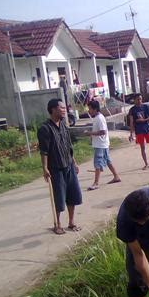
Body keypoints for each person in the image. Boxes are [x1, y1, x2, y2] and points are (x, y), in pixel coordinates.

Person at [37, 99, 82, 235]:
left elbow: (68, 146)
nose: (64, 110)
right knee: (59, 198)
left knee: (73, 194)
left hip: (68, 165)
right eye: (62, 108)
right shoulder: (45, 129)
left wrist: (74, 162)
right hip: (55, 169)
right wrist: (45, 168)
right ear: (53, 109)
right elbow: (44, 151)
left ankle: (71, 222)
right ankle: (57, 224)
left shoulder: (63, 124)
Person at [85, 100, 121, 190]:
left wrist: (90, 133)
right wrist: (92, 135)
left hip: (100, 145)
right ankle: (116, 176)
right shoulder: (97, 118)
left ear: (95, 109)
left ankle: (96, 183)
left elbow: (102, 132)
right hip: (102, 144)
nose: (89, 111)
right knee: (108, 161)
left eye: (90, 109)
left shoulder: (99, 118)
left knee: (97, 163)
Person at [129, 94, 149, 170]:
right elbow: (131, 122)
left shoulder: (146, 107)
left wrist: (145, 120)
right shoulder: (132, 110)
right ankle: (146, 163)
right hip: (139, 130)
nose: (139, 101)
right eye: (138, 99)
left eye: (140, 99)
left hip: (147, 128)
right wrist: (131, 134)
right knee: (142, 147)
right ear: (134, 100)